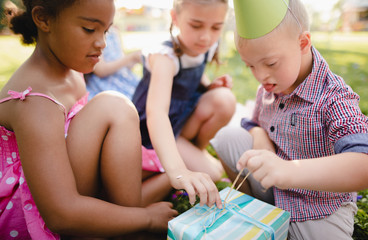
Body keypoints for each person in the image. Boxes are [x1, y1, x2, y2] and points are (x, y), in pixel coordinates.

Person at [0, 0, 177, 239]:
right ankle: (133, 226)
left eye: (106, 31)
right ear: (43, 19)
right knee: (113, 106)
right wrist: (146, 219)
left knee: (169, 172)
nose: (102, 43)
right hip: (36, 213)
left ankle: (126, 218)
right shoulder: (34, 102)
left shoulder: (71, 69)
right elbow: (60, 215)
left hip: (66, 181)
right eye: (89, 29)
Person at [210, 0, 368, 239]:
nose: (261, 75)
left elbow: (363, 164)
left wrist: (288, 170)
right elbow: (253, 122)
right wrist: (260, 136)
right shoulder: (271, 84)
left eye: (271, 63)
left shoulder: (334, 97)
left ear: (303, 43)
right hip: (272, 189)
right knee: (228, 137)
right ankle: (256, 210)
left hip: (317, 207)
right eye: (250, 65)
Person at [132, 0, 236, 209]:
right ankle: (178, 167)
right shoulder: (165, 57)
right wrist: (179, 169)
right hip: (154, 131)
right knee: (213, 171)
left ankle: (192, 152)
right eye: (196, 25)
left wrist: (208, 86)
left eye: (216, 27)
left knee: (224, 99)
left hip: (182, 121)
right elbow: (157, 113)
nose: (206, 36)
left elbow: (194, 76)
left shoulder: (204, 45)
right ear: (175, 18)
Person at [85, 25, 141, 101]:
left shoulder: (114, 30)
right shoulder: (96, 33)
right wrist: (131, 57)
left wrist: (136, 60)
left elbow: (120, 60)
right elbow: (101, 70)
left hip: (122, 79)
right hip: (106, 85)